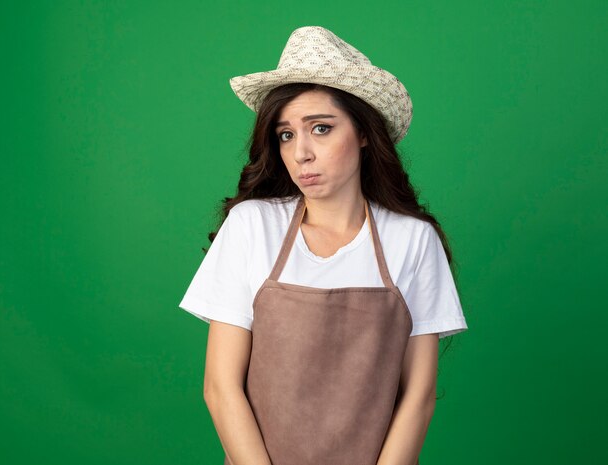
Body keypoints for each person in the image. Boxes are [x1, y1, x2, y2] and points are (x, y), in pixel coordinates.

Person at [179, 25, 468, 465]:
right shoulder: (252, 226)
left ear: (365, 133)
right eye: (286, 134)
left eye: (321, 128)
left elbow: (418, 397)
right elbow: (220, 388)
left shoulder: (411, 239)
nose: (301, 153)